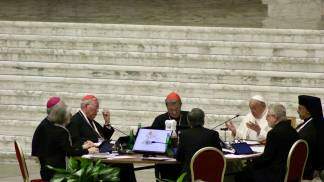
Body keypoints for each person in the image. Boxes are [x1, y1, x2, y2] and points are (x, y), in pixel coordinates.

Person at [34, 99, 98, 180]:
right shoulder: (60, 131)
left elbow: (63, 148)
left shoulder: (44, 124)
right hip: (58, 173)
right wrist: (88, 151)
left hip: (45, 170)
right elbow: (70, 153)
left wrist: (83, 147)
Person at [235, 104, 299, 182]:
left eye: (268, 116)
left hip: (275, 175)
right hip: (289, 173)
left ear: (274, 117)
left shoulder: (274, 133)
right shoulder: (294, 132)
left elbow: (266, 158)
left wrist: (252, 162)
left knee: (242, 174)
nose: (266, 118)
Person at [151, 92, 189, 180]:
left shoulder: (188, 117)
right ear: (166, 106)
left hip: (185, 158)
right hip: (165, 159)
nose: (174, 111)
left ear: (181, 105)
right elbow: (153, 138)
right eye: (171, 109)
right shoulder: (160, 119)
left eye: (177, 109)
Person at [176, 108, 222, 181]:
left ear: (189, 121)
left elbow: (179, 157)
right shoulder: (213, 134)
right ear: (203, 120)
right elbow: (219, 155)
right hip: (210, 176)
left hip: (190, 176)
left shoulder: (184, 135)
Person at [296, 95, 324, 180]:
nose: (297, 111)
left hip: (306, 169)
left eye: (300, 108)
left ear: (308, 111)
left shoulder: (313, 128)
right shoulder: (306, 123)